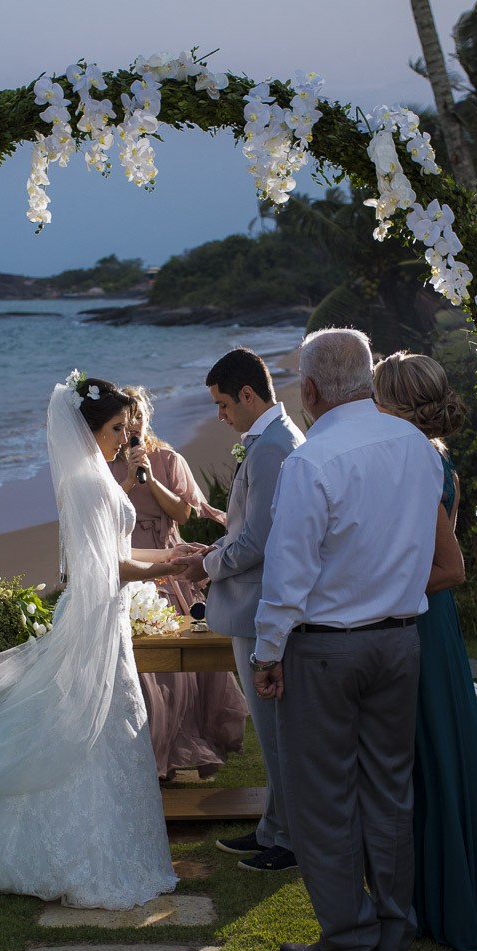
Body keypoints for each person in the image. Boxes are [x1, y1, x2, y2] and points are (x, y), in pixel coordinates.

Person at [0, 375, 182, 910]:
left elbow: (116, 558)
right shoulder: (87, 485)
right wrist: (172, 563)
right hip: (97, 617)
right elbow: (104, 568)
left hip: (108, 619)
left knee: (107, 726)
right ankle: (74, 855)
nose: (125, 437)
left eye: (125, 427)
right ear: (88, 428)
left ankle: (105, 847)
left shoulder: (96, 476)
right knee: (90, 723)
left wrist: (171, 558)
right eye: (116, 428)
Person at [252, 328, 442, 951]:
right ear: (366, 378)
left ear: (308, 390)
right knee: (391, 791)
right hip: (400, 639)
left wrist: (266, 651)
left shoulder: (313, 459)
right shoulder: (418, 448)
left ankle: (349, 936)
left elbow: (287, 573)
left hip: (326, 649)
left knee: (321, 799)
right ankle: (393, 928)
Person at [372, 351, 477, 951]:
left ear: (393, 404)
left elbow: (449, 569)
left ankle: (452, 901)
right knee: (430, 756)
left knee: (435, 757)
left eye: (376, 396)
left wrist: (372, 590)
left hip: (423, 623)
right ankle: (430, 891)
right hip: (428, 624)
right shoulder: (429, 456)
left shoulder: (419, 461)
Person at [174, 348, 304, 872]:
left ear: (248, 395)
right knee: (273, 733)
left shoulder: (272, 448)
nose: (220, 417)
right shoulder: (270, 441)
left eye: (224, 405)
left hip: (258, 610)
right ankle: (273, 827)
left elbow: (260, 540)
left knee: (277, 735)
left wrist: (208, 566)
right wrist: (215, 551)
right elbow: (248, 530)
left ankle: (290, 841)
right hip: (253, 605)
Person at [110, 384, 247, 781]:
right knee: (140, 669)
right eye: (125, 418)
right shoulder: (103, 464)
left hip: (166, 562)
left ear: (145, 417)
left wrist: (150, 480)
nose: (132, 425)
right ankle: (149, 756)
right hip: (127, 562)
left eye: (137, 415)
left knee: (177, 668)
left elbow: (184, 516)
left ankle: (176, 750)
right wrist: (129, 484)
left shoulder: (168, 458)